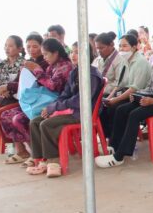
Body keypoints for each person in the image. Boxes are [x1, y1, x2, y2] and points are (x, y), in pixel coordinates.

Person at [95, 35, 153, 167]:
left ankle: (119, 156)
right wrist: (138, 95)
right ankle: (114, 146)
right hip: (151, 98)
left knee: (135, 114)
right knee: (121, 109)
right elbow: (149, 86)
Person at [25, 45, 104, 177]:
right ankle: (40, 160)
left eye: (77, 52)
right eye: (72, 52)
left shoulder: (92, 74)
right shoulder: (74, 72)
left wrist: (56, 107)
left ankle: (54, 162)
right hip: (70, 110)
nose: (73, 55)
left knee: (47, 125)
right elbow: (65, 94)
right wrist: (52, 106)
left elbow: (81, 100)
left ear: (87, 55)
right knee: (35, 122)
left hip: (82, 113)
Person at [0, 38, 75, 165]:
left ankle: (39, 155)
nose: (44, 57)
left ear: (56, 53)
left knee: (20, 118)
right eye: (28, 46)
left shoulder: (65, 66)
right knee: (5, 115)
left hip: (57, 104)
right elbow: (34, 83)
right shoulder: (51, 65)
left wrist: (37, 69)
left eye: (46, 54)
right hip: (44, 101)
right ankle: (27, 152)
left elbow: (53, 86)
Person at [0, 33, 46, 149]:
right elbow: (18, 81)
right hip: (15, 96)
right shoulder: (19, 63)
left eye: (35, 46)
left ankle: (24, 148)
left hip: (32, 100)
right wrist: (3, 88)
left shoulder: (43, 63)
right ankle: (9, 143)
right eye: (29, 47)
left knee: (1, 113)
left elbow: (34, 84)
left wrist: (8, 88)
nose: (31, 49)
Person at [99, 32, 153, 136]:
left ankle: (118, 139)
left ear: (134, 47)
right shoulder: (125, 61)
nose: (121, 49)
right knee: (103, 107)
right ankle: (109, 137)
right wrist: (109, 98)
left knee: (116, 108)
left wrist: (115, 100)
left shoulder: (140, 62)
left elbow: (134, 88)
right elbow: (119, 84)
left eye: (124, 46)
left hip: (139, 96)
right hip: (126, 93)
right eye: (120, 46)